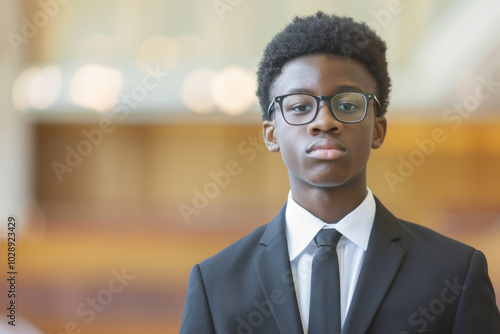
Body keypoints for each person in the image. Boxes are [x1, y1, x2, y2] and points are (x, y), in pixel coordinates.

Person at [180, 12, 500, 334]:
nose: (325, 121)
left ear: (377, 130)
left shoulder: (454, 273)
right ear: (271, 134)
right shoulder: (215, 283)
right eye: (301, 106)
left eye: (347, 105)